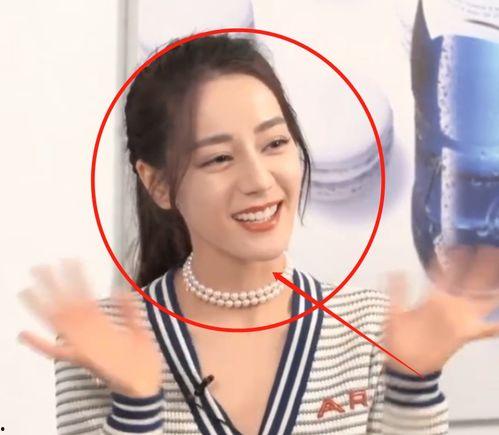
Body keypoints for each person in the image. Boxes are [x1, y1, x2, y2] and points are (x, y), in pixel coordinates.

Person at [18, 33, 499, 435]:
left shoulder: (371, 328)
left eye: (274, 143)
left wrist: (413, 387)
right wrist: (136, 409)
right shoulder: (103, 339)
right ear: (158, 183)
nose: (259, 180)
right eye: (218, 158)